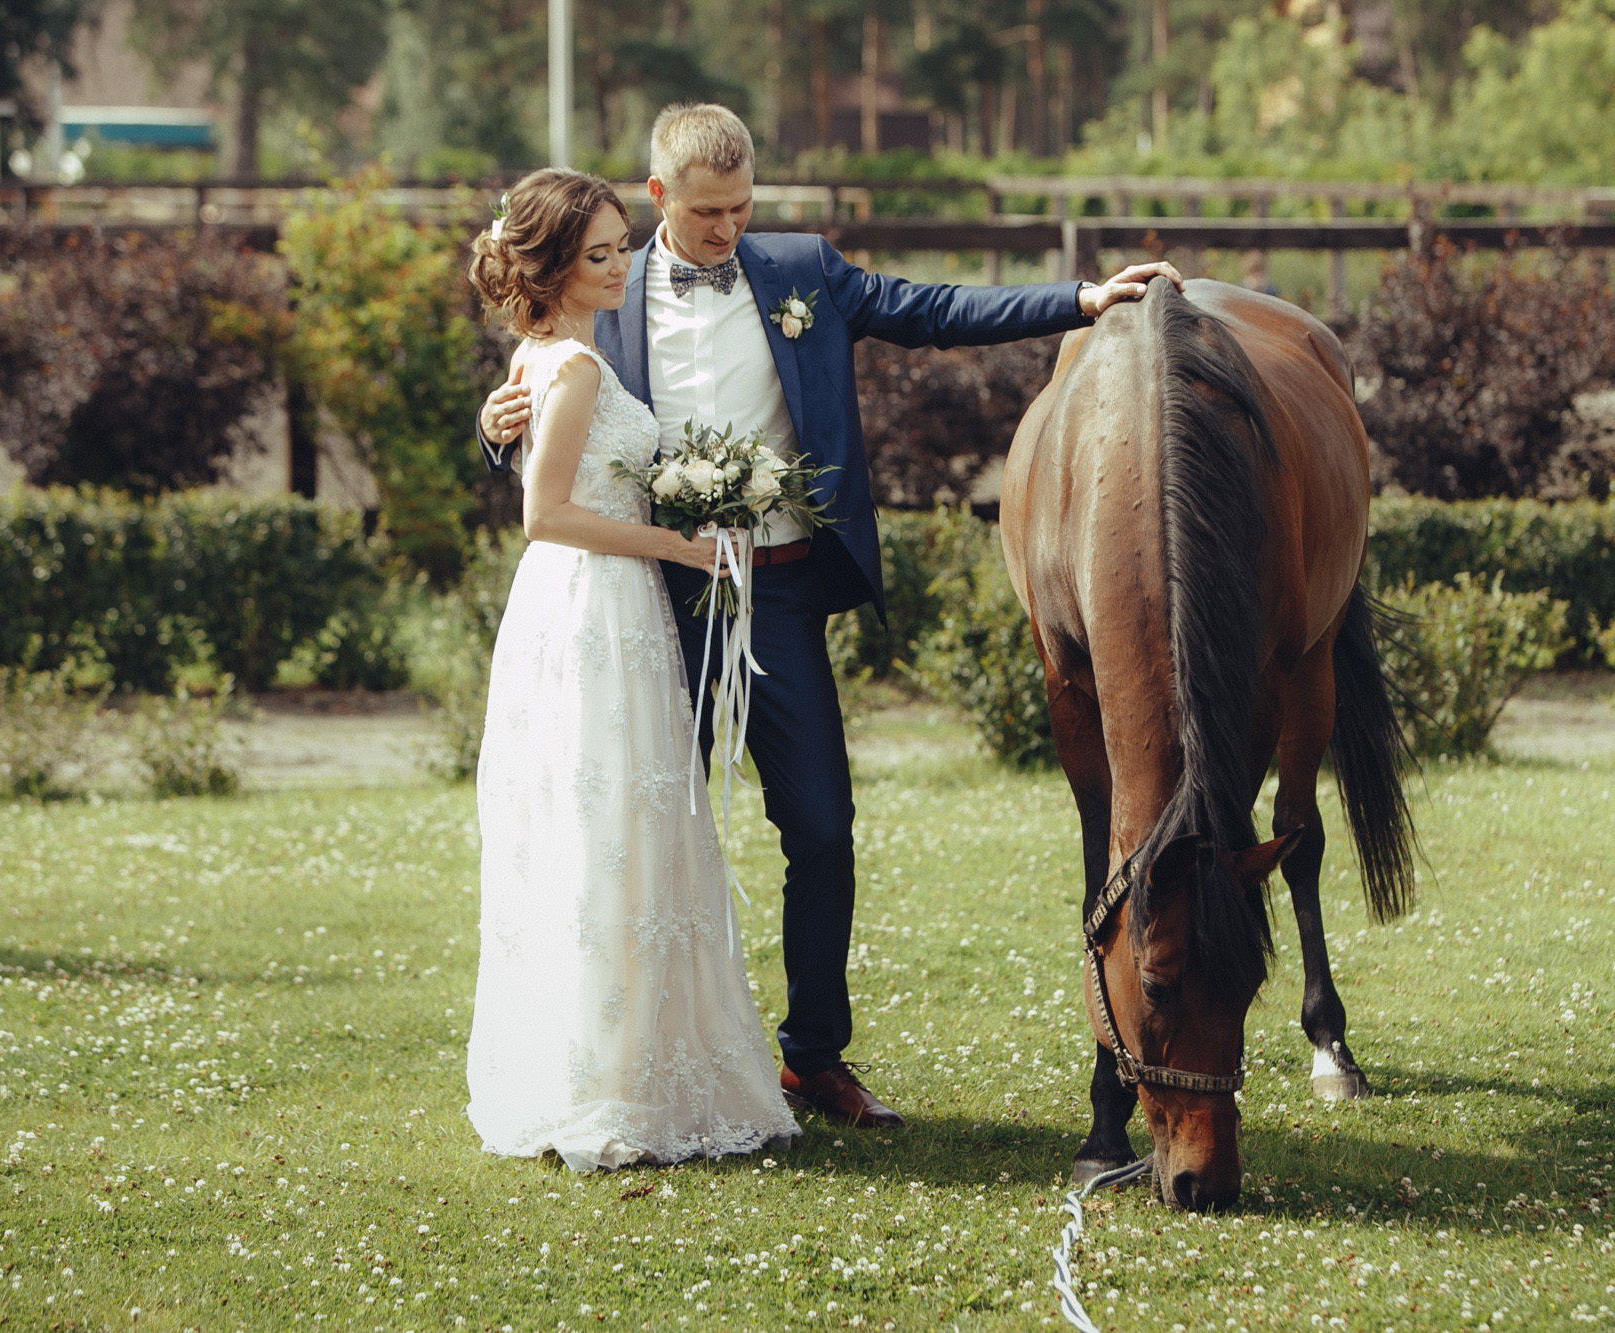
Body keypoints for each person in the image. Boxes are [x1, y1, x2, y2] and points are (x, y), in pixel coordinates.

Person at [478, 103, 1181, 1130]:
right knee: (632, 828)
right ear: (658, 196)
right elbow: (552, 430)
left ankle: (813, 1056)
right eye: (707, 213)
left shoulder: (802, 271)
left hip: (780, 588)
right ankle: (626, 1060)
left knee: (821, 825)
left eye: (742, 209)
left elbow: (927, 306)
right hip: (647, 594)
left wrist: (1079, 299)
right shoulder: (606, 284)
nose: (728, 230)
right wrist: (495, 432)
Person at [463, 167, 798, 1168]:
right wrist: (683, 548)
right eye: (599, 254)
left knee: (631, 828)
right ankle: (605, 1082)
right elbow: (544, 514)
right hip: (590, 604)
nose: (619, 268)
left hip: (611, 609)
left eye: (620, 248)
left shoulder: (555, 358)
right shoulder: (566, 367)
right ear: (555, 264)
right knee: (605, 827)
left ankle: (644, 1066)